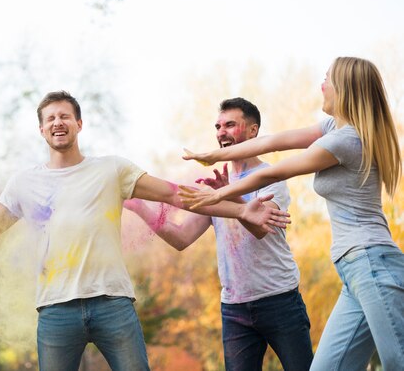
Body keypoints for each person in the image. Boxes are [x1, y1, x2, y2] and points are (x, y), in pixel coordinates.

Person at [0, 90, 291, 371]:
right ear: (42, 129)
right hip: (56, 310)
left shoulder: (112, 169)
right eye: (50, 118)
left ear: (79, 124)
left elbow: (177, 196)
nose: (58, 123)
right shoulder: (23, 183)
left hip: (113, 304)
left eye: (65, 116)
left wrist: (240, 212)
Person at [180, 57, 404, 371]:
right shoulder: (333, 128)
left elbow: (274, 172)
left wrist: (217, 194)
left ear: (344, 88)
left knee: (398, 361)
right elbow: (273, 141)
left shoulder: (345, 141)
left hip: (372, 262)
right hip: (353, 270)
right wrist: (213, 155)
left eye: (327, 78)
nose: (321, 85)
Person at [125, 97, 313, 371]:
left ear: (252, 131)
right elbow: (181, 237)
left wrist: (229, 195)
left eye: (230, 125)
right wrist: (138, 205)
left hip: (280, 300)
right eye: (218, 126)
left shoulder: (272, 177)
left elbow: (260, 227)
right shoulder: (213, 186)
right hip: (234, 309)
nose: (221, 132)